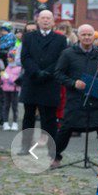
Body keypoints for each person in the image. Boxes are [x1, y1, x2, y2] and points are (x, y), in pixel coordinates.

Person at [52, 25, 98, 167]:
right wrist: (73, 83)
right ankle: (55, 156)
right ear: (78, 36)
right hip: (76, 99)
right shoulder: (68, 53)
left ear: (94, 36)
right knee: (66, 129)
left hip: (96, 101)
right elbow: (58, 74)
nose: (87, 37)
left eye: (89, 34)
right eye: (84, 34)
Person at [20, 10, 65, 148]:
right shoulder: (28, 37)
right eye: (43, 18)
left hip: (50, 83)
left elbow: (61, 60)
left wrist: (47, 72)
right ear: (38, 20)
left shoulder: (61, 39)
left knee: (49, 118)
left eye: (48, 18)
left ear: (53, 21)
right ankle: (25, 146)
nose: (45, 20)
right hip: (32, 81)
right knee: (28, 116)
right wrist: (36, 71)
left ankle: (50, 149)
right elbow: (25, 57)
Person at [2, 53, 22, 130]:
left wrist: (8, 78)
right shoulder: (7, 67)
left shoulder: (19, 68)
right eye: (8, 58)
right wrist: (6, 77)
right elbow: (3, 77)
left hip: (14, 90)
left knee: (14, 106)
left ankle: (15, 123)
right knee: (6, 106)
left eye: (10, 58)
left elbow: (17, 80)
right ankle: (5, 123)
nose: (8, 59)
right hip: (6, 89)